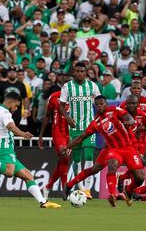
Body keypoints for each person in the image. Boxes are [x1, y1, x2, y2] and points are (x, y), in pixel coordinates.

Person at [0, 90, 61, 209]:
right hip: (5, 147)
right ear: (10, 102)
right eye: (16, 105)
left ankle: (43, 202)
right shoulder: (5, 113)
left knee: (28, 176)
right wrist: (23, 134)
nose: (15, 108)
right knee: (9, 172)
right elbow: (11, 126)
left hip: (0, 147)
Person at [62, 95, 145, 207]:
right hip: (113, 149)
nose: (99, 106)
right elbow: (82, 137)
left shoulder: (114, 110)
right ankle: (111, 195)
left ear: (106, 103)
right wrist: (68, 147)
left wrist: (130, 122)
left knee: (140, 178)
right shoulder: (96, 122)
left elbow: (128, 117)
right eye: (97, 104)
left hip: (128, 148)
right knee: (108, 165)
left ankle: (128, 191)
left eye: (102, 104)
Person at [59, 61, 101, 199]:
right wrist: (68, 118)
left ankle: (88, 189)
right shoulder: (67, 87)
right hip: (75, 127)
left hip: (90, 127)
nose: (79, 73)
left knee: (89, 155)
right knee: (77, 159)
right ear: (73, 72)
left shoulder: (92, 86)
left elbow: (100, 103)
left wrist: (98, 120)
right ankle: (80, 187)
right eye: (77, 71)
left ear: (86, 72)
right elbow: (61, 105)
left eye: (82, 71)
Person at [38, 74, 72, 198]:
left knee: (63, 160)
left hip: (71, 133)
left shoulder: (77, 99)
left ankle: (48, 186)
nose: (68, 85)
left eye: (70, 83)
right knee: (64, 157)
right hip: (58, 131)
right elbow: (47, 116)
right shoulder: (54, 97)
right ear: (62, 84)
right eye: (66, 83)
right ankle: (65, 189)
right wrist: (41, 135)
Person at [117, 95, 146, 193]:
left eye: (134, 104)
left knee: (138, 167)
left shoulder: (143, 115)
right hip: (127, 144)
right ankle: (128, 187)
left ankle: (124, 180)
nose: (131, 106)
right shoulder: (122, 115)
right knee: (141, 163)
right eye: (129, 104)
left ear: (138, 105)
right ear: (126, 104)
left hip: (139, 144)